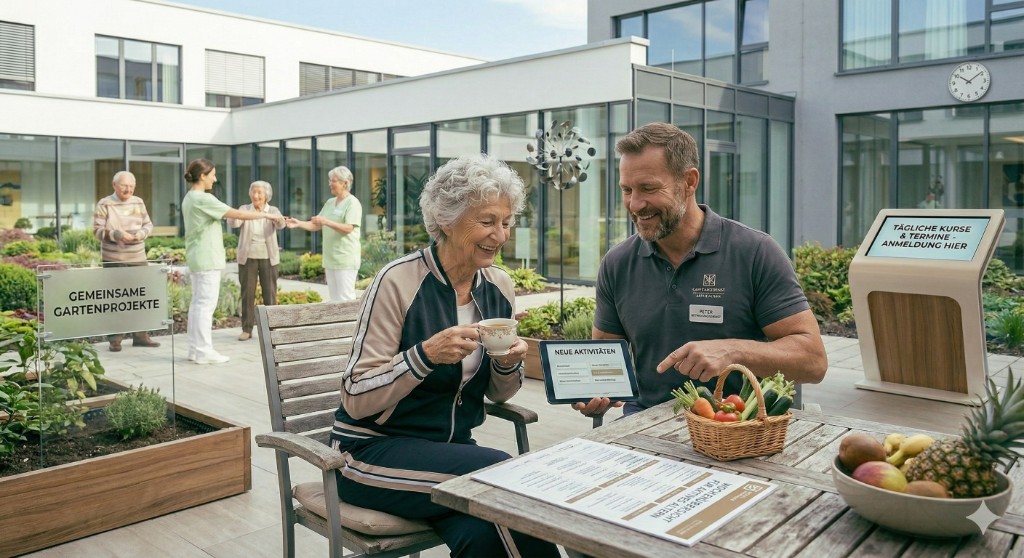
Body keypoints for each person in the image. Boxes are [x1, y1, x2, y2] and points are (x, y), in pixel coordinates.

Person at [329, 154, 559, 558]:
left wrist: (507, 363)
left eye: (507, 222)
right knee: (505, 474)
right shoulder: (398, 281)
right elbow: (356, 396)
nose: (500, 235)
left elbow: (499, 395)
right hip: (369, 454)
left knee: (487, 537)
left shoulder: (498, 285)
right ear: (447, 220)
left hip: (449, 454)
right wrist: (424, 356)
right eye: (487, 221)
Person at [574, 123, 828, 418]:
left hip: (735, 427)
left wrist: (732, 351)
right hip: (643, 421)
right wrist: (594, 391)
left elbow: (813, 361)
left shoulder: (755, 252)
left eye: (649, 188)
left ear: (689, 182)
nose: (635, 204)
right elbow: (604, 361)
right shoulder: (617, 263)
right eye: (627, 190)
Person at [181, 159, 283, 365]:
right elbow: (236, 214)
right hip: (207, 258)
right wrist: (264, 214)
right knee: (205, 306)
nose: (215, 179)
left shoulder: (189, 197)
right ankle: (203, 351)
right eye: (212, 175)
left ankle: (195, 349)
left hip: (198, 257)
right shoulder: (203, 198)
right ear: (202, 176)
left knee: (197, 305)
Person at [92, 170, 161, 352]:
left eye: (131, 186)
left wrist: (141, 234)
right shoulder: (105, 203)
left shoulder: (138, 202)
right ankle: (115, 339)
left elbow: (148, 224)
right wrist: (116, 234)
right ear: (114, 185)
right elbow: (97, 230)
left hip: (138, 258)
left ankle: (141, 337)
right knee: (116, 299)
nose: (128, 189)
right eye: (124, 185)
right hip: (113, 259)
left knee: (140, 297)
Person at [285, 166, 362, 301]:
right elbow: (317, 224)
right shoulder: (330, 203)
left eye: (333, 181)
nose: (330, 184)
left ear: (345, 183)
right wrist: (299, 223)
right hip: (330, 259)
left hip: (345, 259)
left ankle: (350, 317)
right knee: (334, 299)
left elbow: (348, 228)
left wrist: (326, 221)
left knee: (346, 299)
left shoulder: (352, 203)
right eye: (329, 180)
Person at [228, 180, 284, 341]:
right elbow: (233, 222)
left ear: (266, 195)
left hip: (268, 257)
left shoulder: (272, 210)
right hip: (248, 257)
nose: (256, 195)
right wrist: (233, 216)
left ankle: (271, 330)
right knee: (247, 294)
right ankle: (247, 329)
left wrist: (277, 219)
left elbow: (281, 224)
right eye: (253, 192)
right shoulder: (245, 210)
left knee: (270, 295)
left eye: (259, 192)